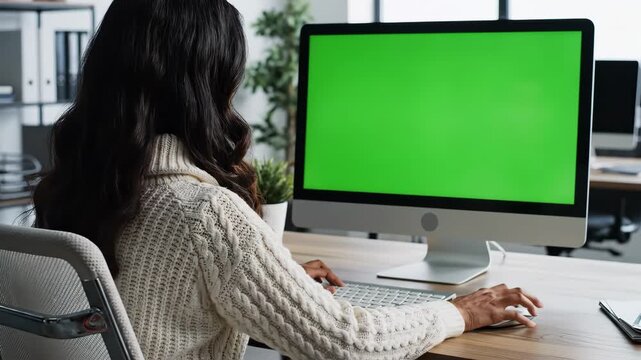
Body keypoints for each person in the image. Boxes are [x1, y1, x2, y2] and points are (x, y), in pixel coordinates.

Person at [32, 0, 543, 359]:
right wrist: (458, 314)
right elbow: (347, 344)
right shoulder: (204, 214)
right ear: (208, 85)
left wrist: (271, 275)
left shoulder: (76, 189)